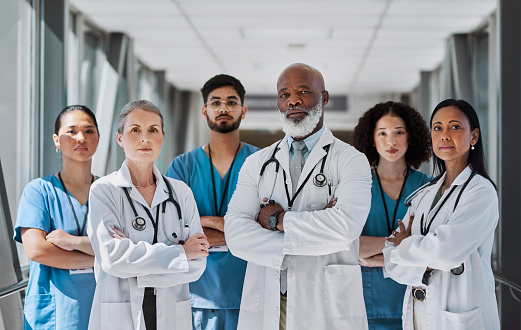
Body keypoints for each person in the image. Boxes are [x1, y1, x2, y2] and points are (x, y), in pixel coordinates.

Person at [224, 63, 372, 329]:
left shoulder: (351, 160)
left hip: (325, 301)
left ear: (323, 98)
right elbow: (235, 235)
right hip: (269, 300)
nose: (293, 100)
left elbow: (345, 228)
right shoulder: (257, 163)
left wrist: (276, 221)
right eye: (284, 94)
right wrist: (316, 230)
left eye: (304, 91)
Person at [87, 100, 208, 330]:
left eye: (153, 130)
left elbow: (198, 264)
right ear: (120, 138)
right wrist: (181, 253)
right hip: (120, 315)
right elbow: (113, 259)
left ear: (162, 137)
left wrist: (134, 266)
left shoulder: (181, 192)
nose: (145, 138)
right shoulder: (104, 190)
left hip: (171, 313)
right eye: (135, 130)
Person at [383, 99, 500, 330]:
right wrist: (425, 259)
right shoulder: (424, 193)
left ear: (474, 136)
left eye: (455, 127)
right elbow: (390, 260)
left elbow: (446, 254)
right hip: (419, 316)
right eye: (437, 128)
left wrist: (407, 245)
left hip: (461, 317)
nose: (445, 135)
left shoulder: (480, 191)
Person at [166, 74, 259, 330]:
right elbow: (174, 231)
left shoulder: (262, 164)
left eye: (231, 102)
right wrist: (241, 229)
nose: (224, 108)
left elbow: (268, 228)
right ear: (204, 111)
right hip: (197, 294)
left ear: (243, 110)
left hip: (249, 292)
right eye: (216, 102)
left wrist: (204, 222)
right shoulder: (182, 167)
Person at [14, 105, 99, 329]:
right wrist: (102, 259)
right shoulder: (38, 191)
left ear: (98, 139)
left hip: (101, 310)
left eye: (89, 131)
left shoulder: (110, 191)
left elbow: (128, 245)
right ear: (56, 140)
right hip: (54, 316)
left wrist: (72, 244)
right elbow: (37, 250)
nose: (81, 137)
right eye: (71, 131)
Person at [351, 101, 431, 329]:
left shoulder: (427, 188)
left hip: (417, 302)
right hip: (367, 304)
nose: (391, 141)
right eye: (382, 133)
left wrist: (380, 259)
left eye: (399, 132)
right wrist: (399, 244)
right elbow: (350, 247)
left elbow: (430, 250)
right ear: (371, 139)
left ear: (410, 137)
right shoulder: (357, 186)